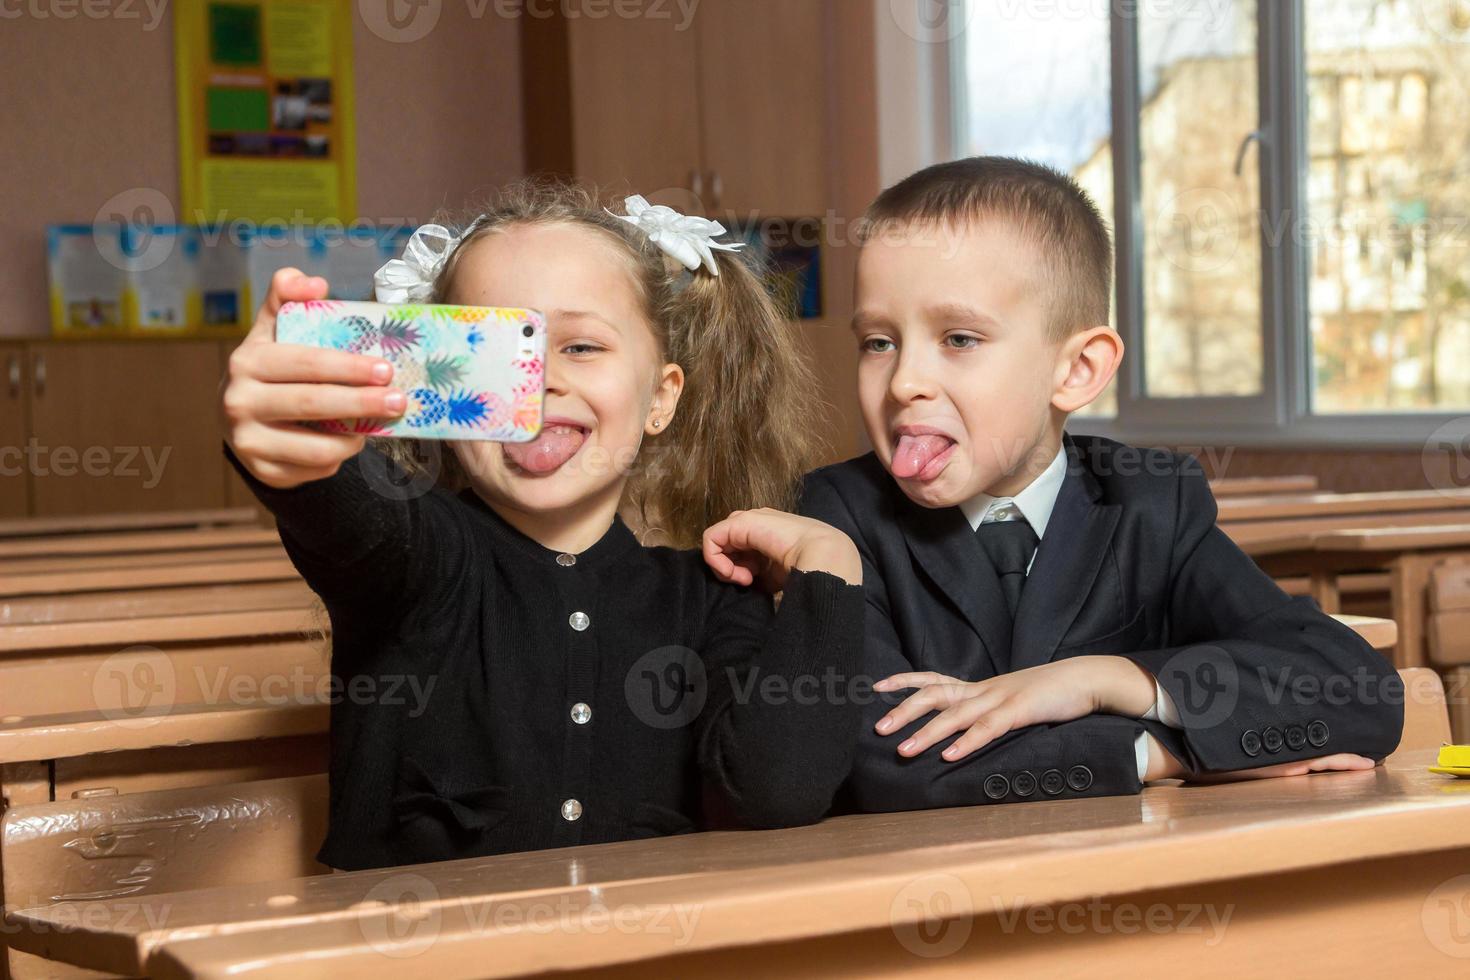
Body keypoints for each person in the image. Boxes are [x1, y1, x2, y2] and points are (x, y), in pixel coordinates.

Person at [221, 181, 866, 869]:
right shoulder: (418, 561)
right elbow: (341, 506)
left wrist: (828, 567)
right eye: (496, 347)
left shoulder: (709, 599)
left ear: (661, 398)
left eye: (582, 347)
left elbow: (776, 791)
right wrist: (290, 437)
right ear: (435, 385)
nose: (538, 379)